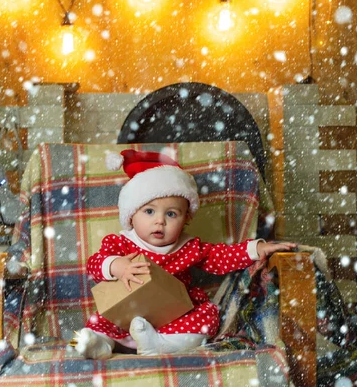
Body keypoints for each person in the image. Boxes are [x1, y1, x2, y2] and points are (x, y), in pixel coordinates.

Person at [75, 149, 296, 359]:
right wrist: (116, 266)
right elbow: (95, 264)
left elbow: (220, 257)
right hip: (126, 312)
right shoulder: (121, 243)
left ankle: (160, 345)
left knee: (206, 318)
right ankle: (99, 344)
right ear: (131, 216)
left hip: (171, 315)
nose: (160, 220)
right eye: (149, 211)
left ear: (186, 219)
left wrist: (255, 249)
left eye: (171, 214)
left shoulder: (188, 247)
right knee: (100, 319)